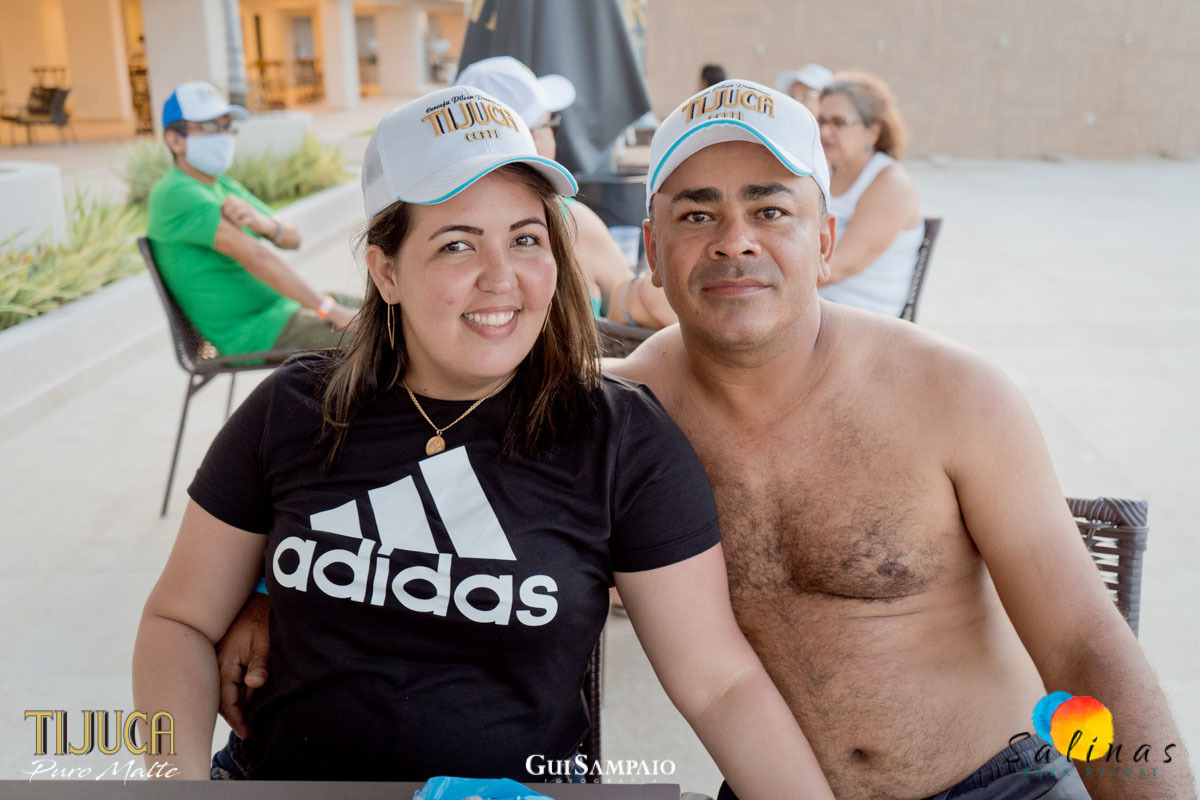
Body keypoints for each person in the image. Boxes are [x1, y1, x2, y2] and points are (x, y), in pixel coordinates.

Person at [216, 79, 1198, 799]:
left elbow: (1081, 640)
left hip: (995, 784)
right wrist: (269, 590)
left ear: (823, 239)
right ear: (653, 246)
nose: (735, 240)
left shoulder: (955, 397)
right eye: (697, 212)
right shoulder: (604, 414)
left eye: (771, 209)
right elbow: (396, 473)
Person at [133, 85, 834, 799]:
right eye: (457, 244)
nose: (502, 280)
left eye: (526, 239)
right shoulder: (294, 409)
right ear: (386, 271)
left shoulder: (618, 437)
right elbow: (178, 620)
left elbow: (719, 683)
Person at [456, 56, 676, 330]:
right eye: (552, 125)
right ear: (532, 138)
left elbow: (626, 297)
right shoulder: (570, 220)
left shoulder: (432, 223)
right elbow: (625, 299)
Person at [147, 81, 356, 355]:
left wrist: (265, 223)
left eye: (226, 126)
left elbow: (293, 238)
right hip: (256, 332)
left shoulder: (221, 184)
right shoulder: (177, 192)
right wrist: (331, 311)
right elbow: (258, 258)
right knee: (384, 342)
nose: (222, 136)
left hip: (283, 312)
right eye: (210, 127)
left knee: (394, 315)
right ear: (174, 140)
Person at [815, 71, 923, 317]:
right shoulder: (826, 173)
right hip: (820, 305)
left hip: (861, 321)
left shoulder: (890, 184)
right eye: (821, 121)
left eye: (839, 123)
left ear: (872, 132)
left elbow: (839, 266)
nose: (824, 132)